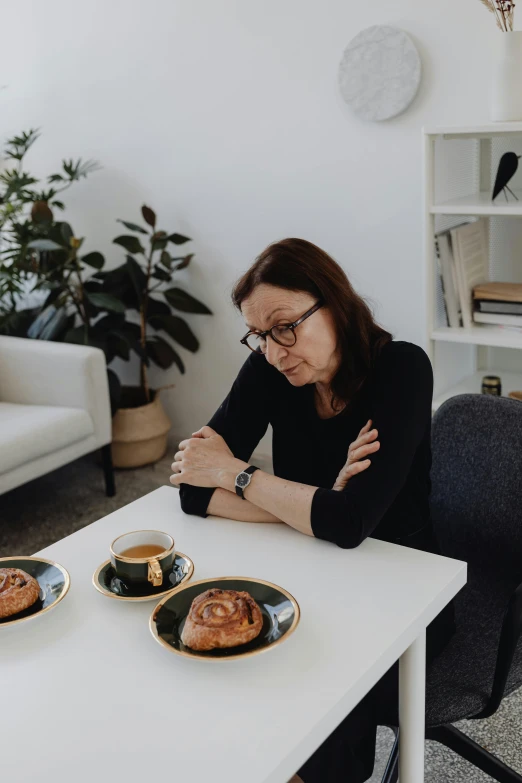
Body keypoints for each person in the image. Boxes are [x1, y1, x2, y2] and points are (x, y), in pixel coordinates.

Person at [170, 237, 455, 783]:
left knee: (306, 688)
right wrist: (317, 500)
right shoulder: (271, 370)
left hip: (405, 590)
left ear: (333, 303)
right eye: (258, 335)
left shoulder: (402, 369)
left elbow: (350, 526)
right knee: (227, 668)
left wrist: (241, 476)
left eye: (285, 326)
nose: (275, 350)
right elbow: (191, 488)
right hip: (306, 567)